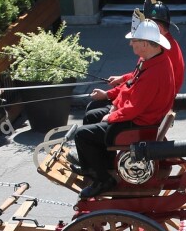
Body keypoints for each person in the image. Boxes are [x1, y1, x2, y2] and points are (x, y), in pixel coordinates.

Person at [74, 19, 176, 199]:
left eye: (133, 41)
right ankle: (97, 166)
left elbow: (134, 108)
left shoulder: (153, 73)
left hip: (137, 125)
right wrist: (110, 95)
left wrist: (111, 116)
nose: (130, 44)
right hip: (139, 117)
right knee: (91, 116)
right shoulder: (153, 59)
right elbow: (133, 81)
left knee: (81, 135)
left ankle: (103, 179)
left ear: (145, 44)